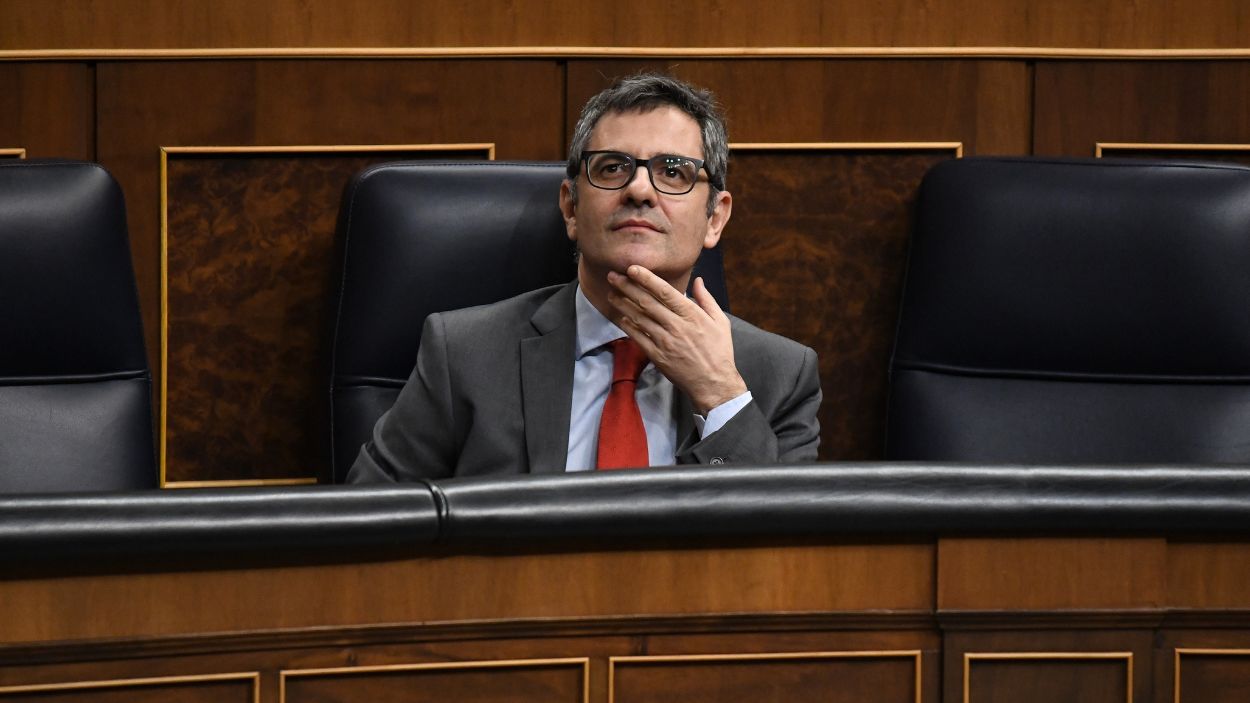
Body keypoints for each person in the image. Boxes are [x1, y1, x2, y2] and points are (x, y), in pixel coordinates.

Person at [348, 74, 820, 482]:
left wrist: (719, 393)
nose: (638, 190)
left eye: (673, 172)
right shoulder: (465, 354)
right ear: (571, 207)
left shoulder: (778, 374)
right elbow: (366, 523)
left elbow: (792, 554)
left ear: (715, 218)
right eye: (613, 167)